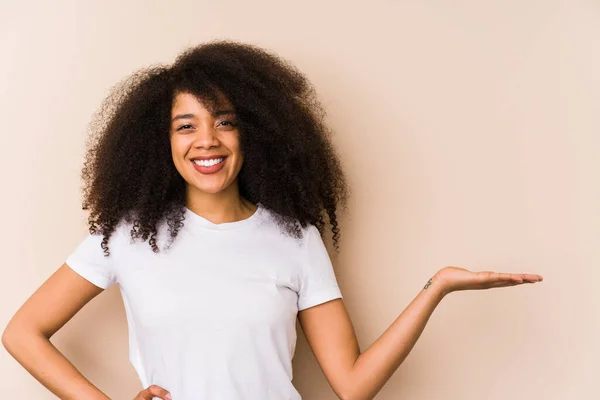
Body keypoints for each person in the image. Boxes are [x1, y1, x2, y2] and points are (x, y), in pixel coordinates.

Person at [1, 40, 543, 400]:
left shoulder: (294, 238)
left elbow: (352, 385)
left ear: (254, 132)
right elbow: (22, 333)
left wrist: (436, 287)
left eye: (225, 122)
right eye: (185, 126)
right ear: (159, 142)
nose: (207, 140)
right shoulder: (126, 235)